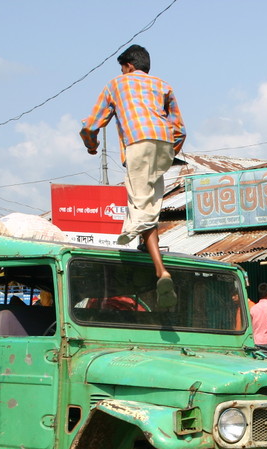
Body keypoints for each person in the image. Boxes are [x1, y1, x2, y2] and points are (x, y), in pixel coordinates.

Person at [79, 44, 185, 308]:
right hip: (164, 143)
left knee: (140, 205)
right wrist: (169, 152)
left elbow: (91, 125)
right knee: (149, 203)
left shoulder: (117, 83)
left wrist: (91, 146)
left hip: (138, 143)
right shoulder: (163, 85)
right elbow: (180, 129)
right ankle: (141, 238)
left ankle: (161, 270)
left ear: (127, 66)